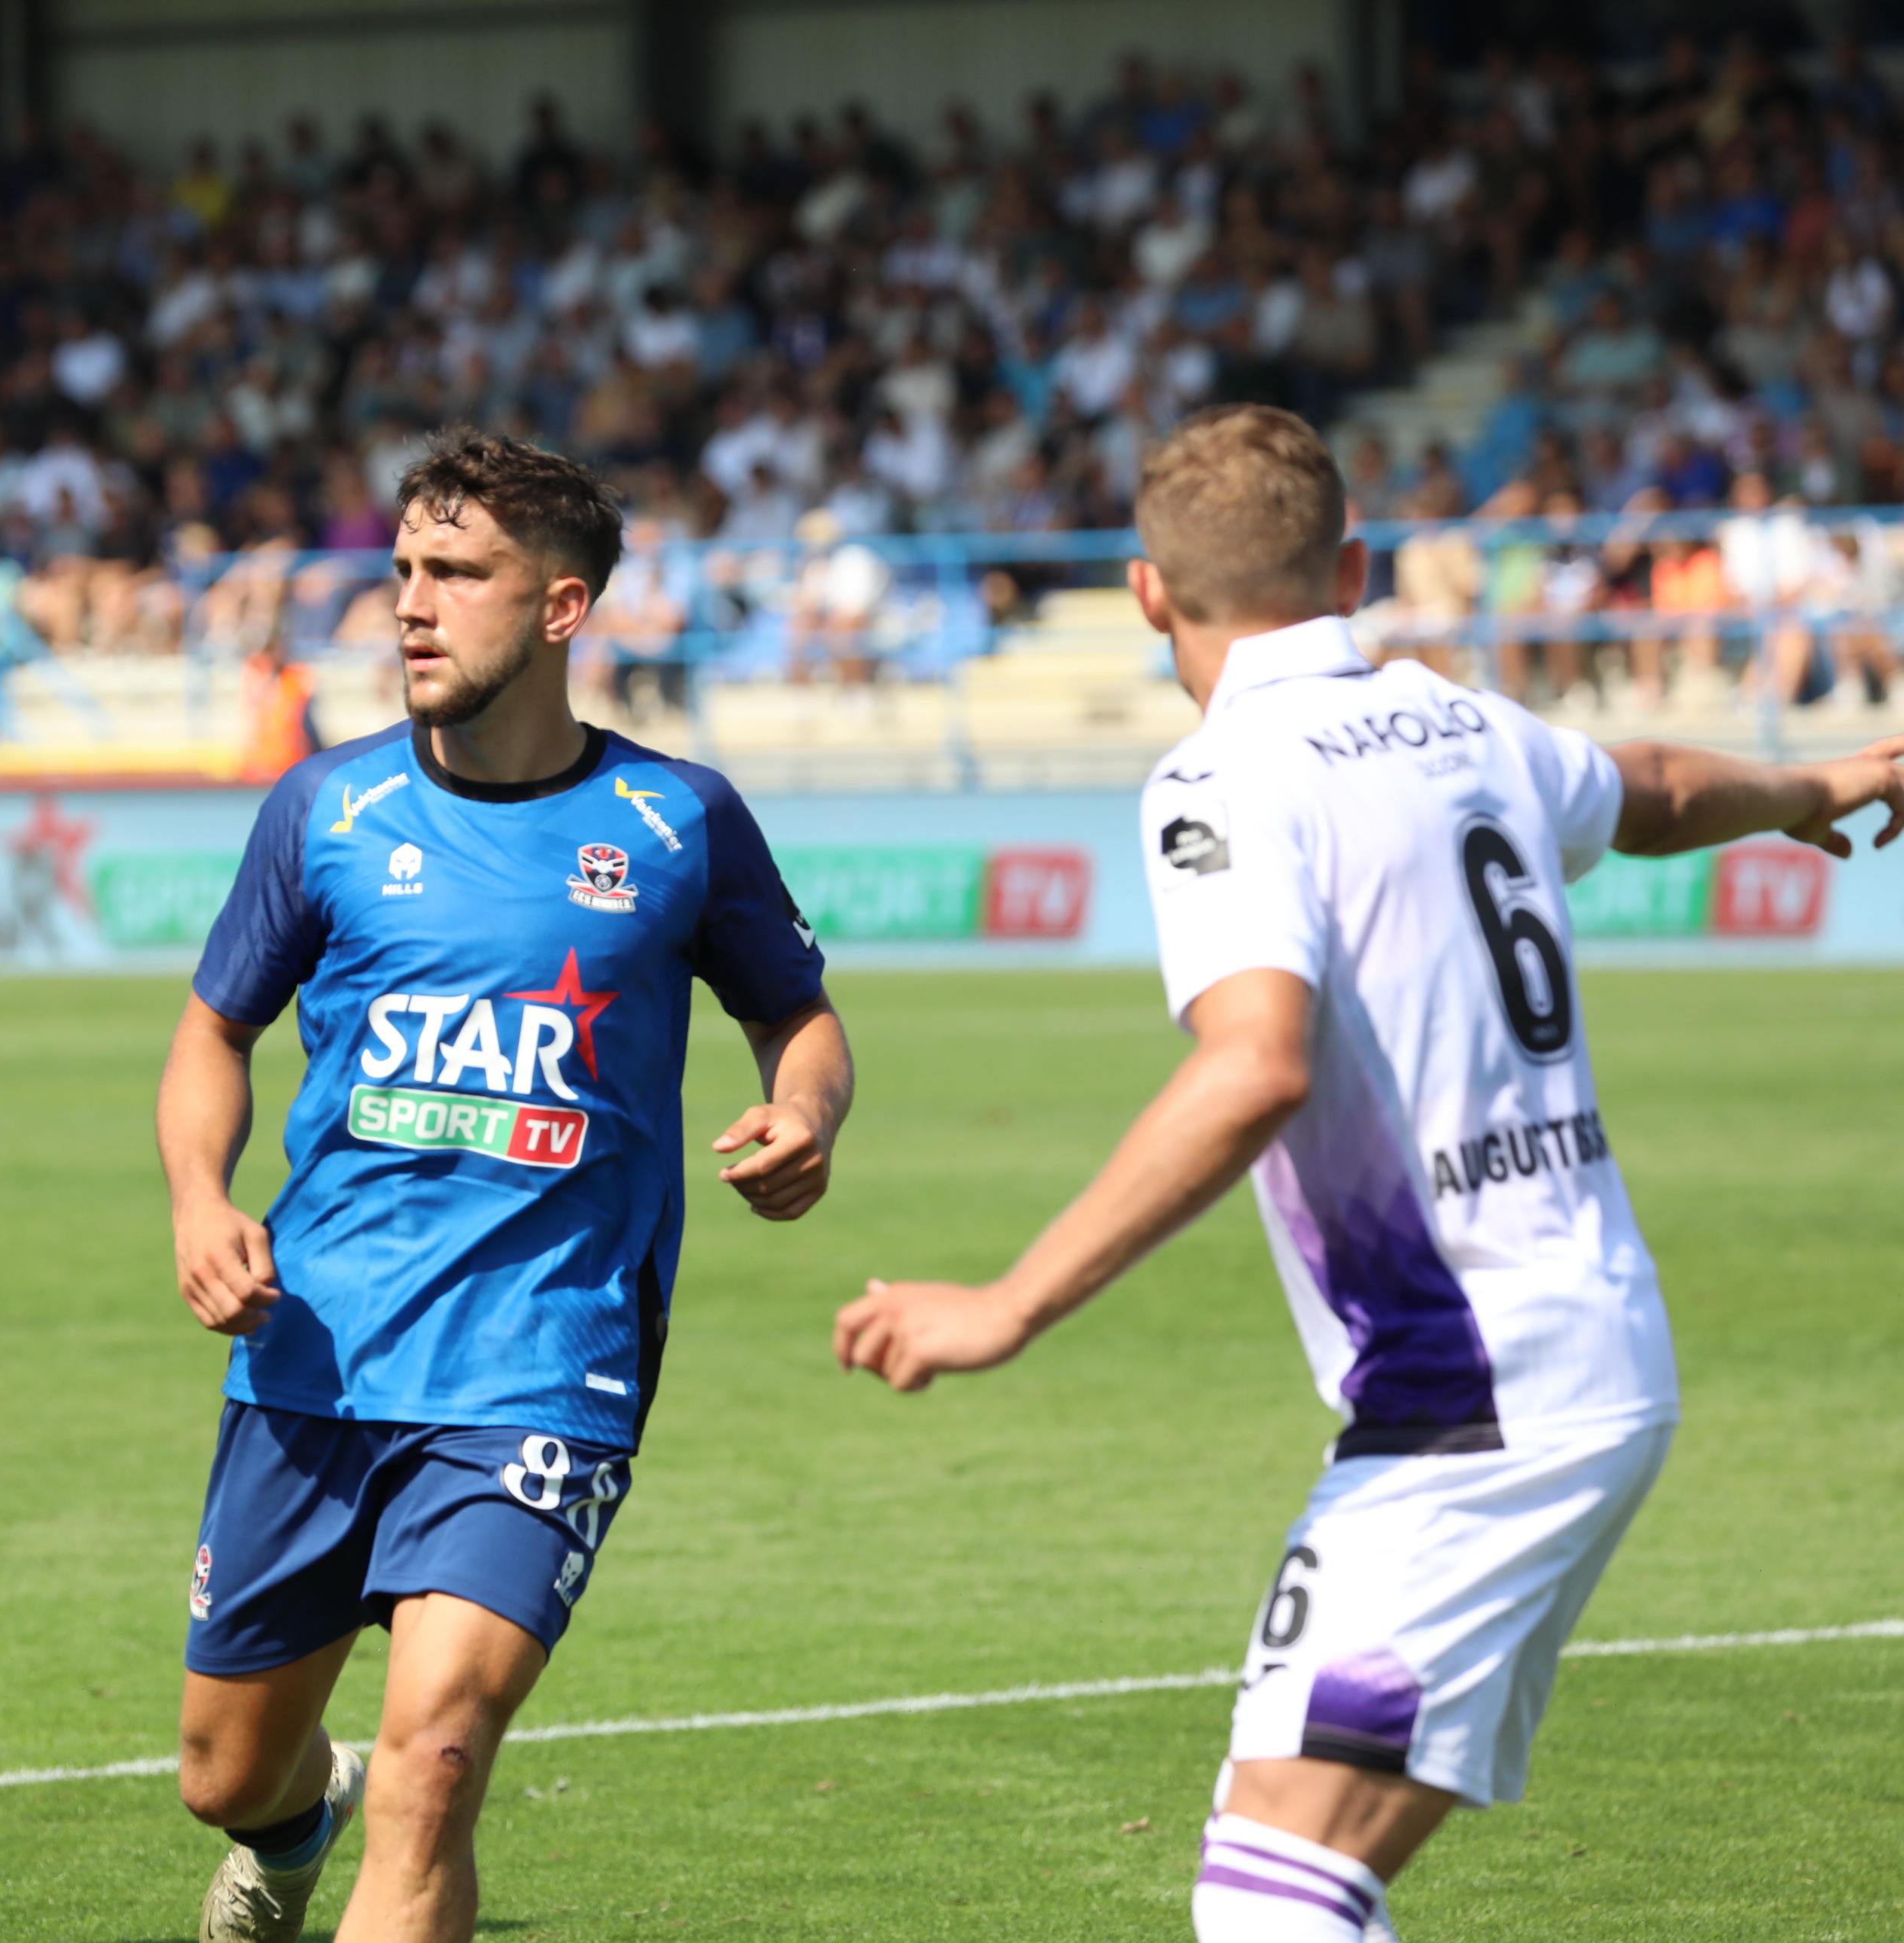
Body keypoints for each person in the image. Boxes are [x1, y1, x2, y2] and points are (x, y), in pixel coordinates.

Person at [832, 405, 1904, 1943]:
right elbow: (1649, 784)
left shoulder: (1219, 778)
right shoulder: (1465, 718)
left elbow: (1255, 1061)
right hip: (1559, 1354)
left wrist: (1007, 1302)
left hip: (1472, 1398)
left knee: (1274, 1897)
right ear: (1353, 562)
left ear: (1145, 594)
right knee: (1293, 1878)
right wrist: (1819, 783)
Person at [158, 429, 855, 1943]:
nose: (412, 603)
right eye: (404, 570)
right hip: (314, 1347)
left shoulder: (679, 820)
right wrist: (201, 1198)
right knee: (225, 1769)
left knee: (438, 1755)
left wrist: (804, 1109)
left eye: (457, 573)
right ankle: (290, 1821)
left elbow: (795, 1013)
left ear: (559, 606)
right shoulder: (325, 809)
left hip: (545, 1359)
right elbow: (215, 1028)